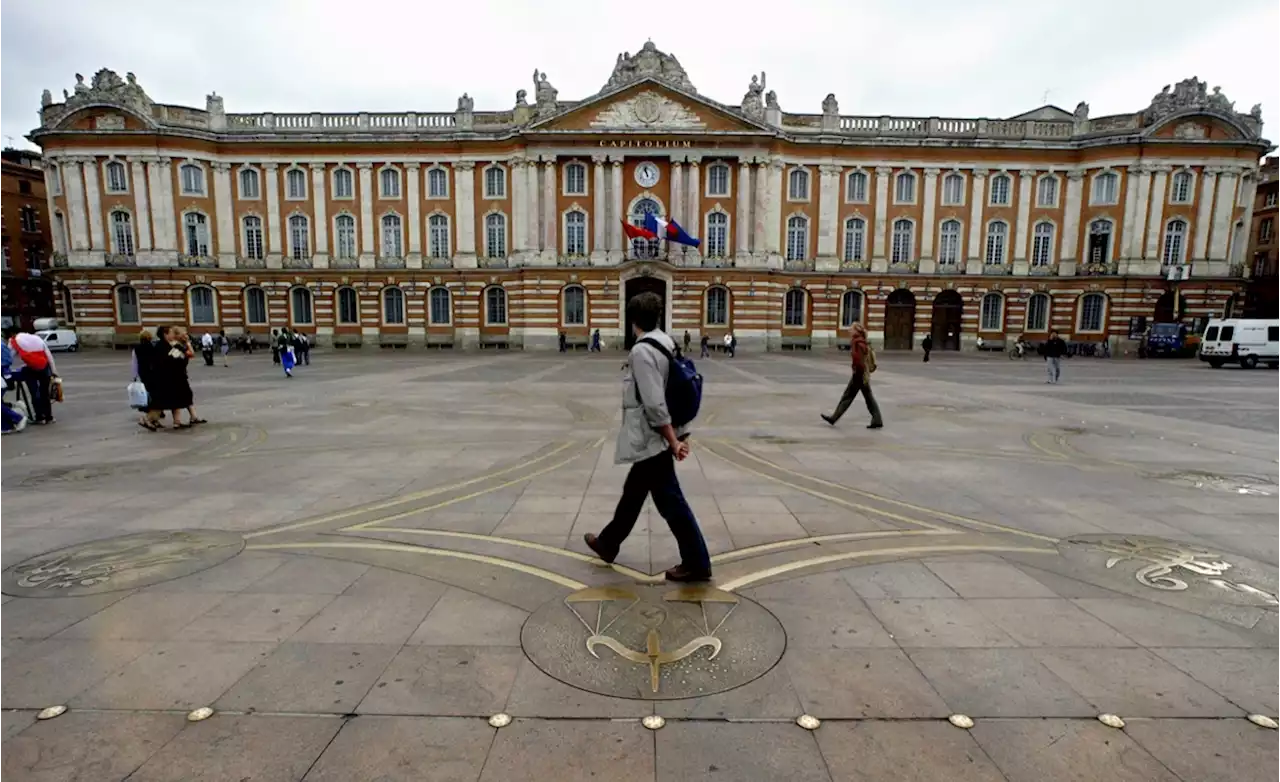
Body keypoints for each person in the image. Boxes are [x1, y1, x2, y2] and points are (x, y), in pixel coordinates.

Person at [584, 292, 712, 583]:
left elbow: (655, 403)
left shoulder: (642, 351)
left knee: (671, 502)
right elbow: (679, 386)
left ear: (633, 321)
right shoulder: (666, 340)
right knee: (634, 492)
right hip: (656, 437)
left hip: (653, 438)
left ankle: (697, 562)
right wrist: (680, 432)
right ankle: (608, 543)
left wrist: (672, 440)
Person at [821, 323, 883, 430]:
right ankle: (877, 419)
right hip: (862, 373)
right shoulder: (862, 341)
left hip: (859, 374)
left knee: (848, 396)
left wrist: (857, 373)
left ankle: (834, 418)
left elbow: (858, 360)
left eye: (851, 329)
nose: (849, 330)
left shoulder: (856, 342)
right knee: (866, 397)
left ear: (856, 331)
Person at [7, 326, 57, 425]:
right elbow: (48, 355)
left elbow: (8, 357)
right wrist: (54, 371)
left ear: (12, 333)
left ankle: (39, 417)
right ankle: (49, 417)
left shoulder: (14, 340)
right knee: (45, 393)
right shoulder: (36, 338)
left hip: (30, 369)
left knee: (35, 393)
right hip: (44, 367)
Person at [131, 329, 161, 431]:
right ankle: (148, 419)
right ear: (150, 337)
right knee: (156, 398)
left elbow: (134, 363)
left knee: (147, 396)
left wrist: (135, 376)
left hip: (143, 375)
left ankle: (154, 419)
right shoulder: (153, 347)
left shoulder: (136, 349)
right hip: (153, 375)